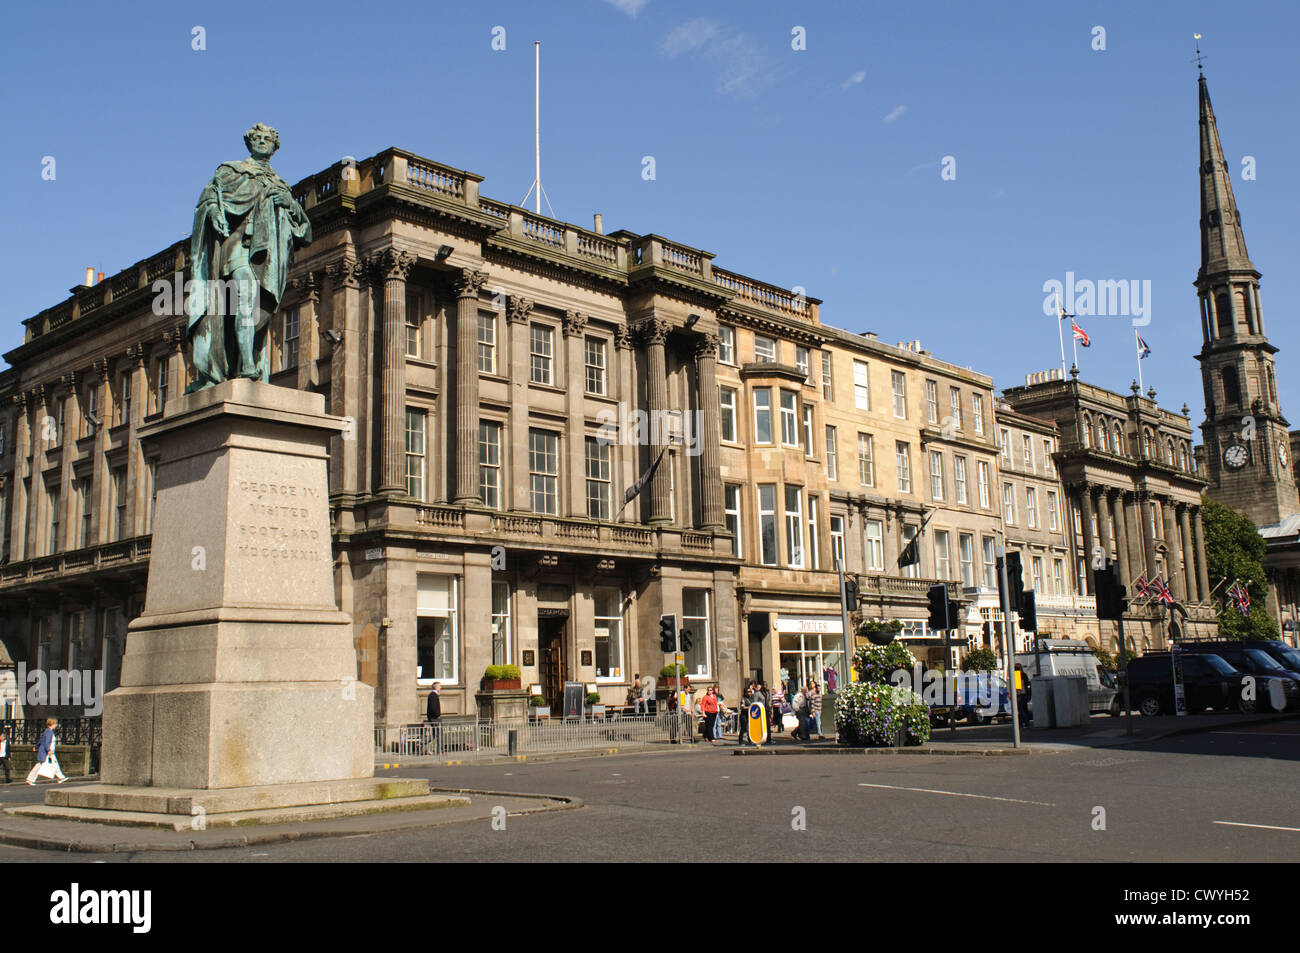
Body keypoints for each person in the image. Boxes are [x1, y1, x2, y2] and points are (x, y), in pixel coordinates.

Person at [26, 718, 67, 785]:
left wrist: (36, 747)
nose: (56, 725)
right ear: (52, 724)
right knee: (40, 765)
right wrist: (48, 750)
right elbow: (47, 742)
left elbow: (41, 740)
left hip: (48, 751)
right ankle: (30, 779)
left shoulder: (47, 731)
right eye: (55, 724)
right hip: (47, 752)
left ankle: (61, 777)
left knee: (54, 764)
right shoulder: (49, 732)